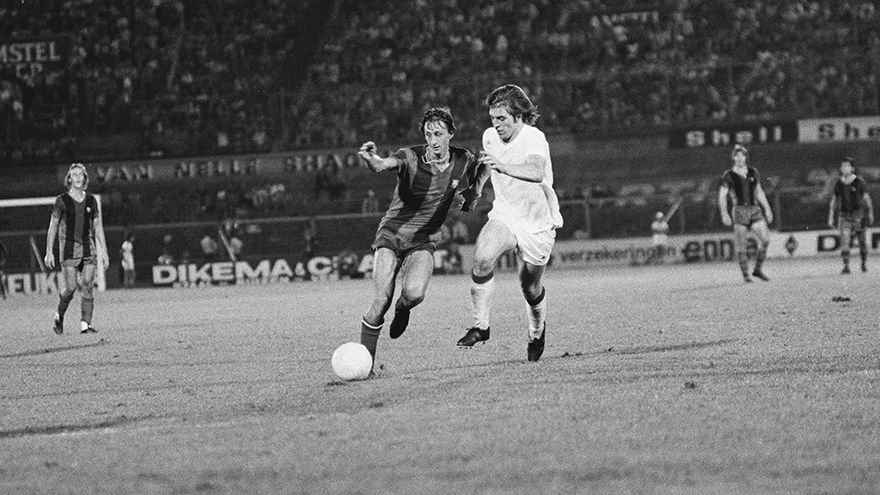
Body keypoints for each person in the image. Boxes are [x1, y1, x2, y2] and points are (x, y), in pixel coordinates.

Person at [356, 107, 480, 370]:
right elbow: (381, 165)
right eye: (428, 134)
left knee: (414, 294)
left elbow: (475, 179)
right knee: (380, 301)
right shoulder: (410, 156)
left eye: (438, 134)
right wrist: (370, 158)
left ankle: (402, 309)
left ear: (451, 134)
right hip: (392, 234)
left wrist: (471, 197)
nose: (433, 140)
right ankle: (365, 367)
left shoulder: (463, 158)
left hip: (424, 239)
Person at [455, 84, 563, 363]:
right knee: (482, 259)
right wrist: (476, 189)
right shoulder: (490, 136)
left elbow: (536, 171)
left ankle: (536, 331)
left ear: (519, 116)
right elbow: (488, 164)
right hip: (506, 213)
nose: (496, 124)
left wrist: (504, 166)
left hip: (537, 222)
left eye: (502, 118)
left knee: (530, 287)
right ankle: (481, 326)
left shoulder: (533, 138)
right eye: (493, 118)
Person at [44, 163, 109, 334]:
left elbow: (97, 226)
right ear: (69, 179)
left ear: (85, 178)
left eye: (81, 174)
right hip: (68, 249)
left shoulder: (91, 201)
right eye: (75, 174)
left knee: (87, 284)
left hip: (88, 248)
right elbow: (53, 226)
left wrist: (104, 251)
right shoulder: (61, 201)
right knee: (71, 288)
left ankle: (85, 325)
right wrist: (49, 251)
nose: (78, 177)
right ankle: (59, 314)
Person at [718, 144, 773, 283]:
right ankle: (746, 275)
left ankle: (757, 269)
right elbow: (722, 195)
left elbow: (759, 191)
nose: (740, 158)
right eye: (737, 156)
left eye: (742, 155)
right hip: (739, 211)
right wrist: (724, 213)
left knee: (765, 240)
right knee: (742, 245)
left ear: (746, 157)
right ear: (733, 158)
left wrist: (767, 209)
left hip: (754, 209)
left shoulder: (753, 172)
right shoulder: (728, 175)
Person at [827, 157, 874, 274]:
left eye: (847, 166)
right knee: (845, 240)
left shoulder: (859, 182)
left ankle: (863, 263)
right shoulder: (838, 184)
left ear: (852, 168)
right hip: (844, 216)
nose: (844, 168)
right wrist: (831, 217)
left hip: (859, 215)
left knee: (862, 242)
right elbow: (834, 201)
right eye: (843, 166)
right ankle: (846, 266)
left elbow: (866, 199)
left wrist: (870, 213)